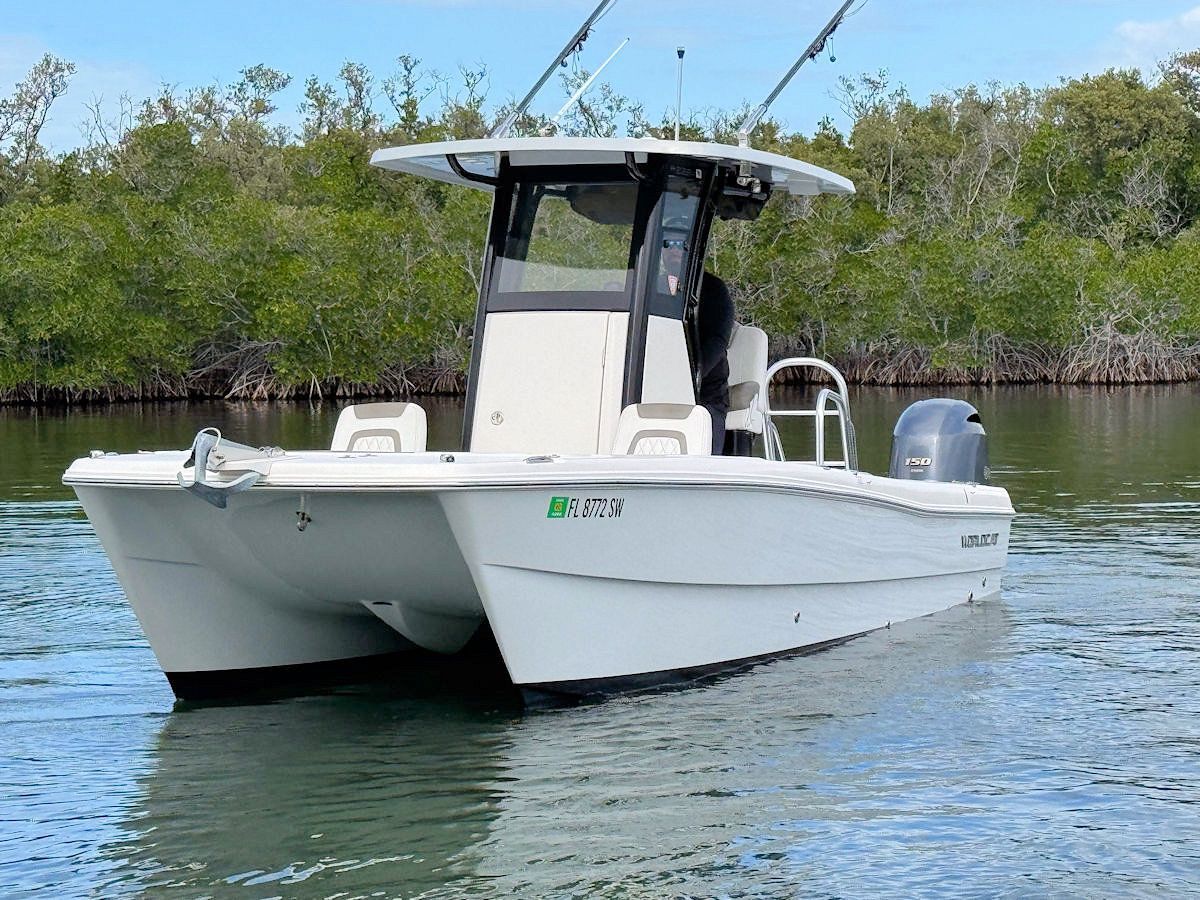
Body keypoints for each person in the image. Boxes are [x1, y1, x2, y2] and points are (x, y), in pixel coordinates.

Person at [695, 271, 735, 455]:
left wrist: (692, 379)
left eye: (679, 244)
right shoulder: (656, 284)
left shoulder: (713, 289)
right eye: (667, 246)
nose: (672, 251)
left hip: (708, 395)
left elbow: (717, 341)